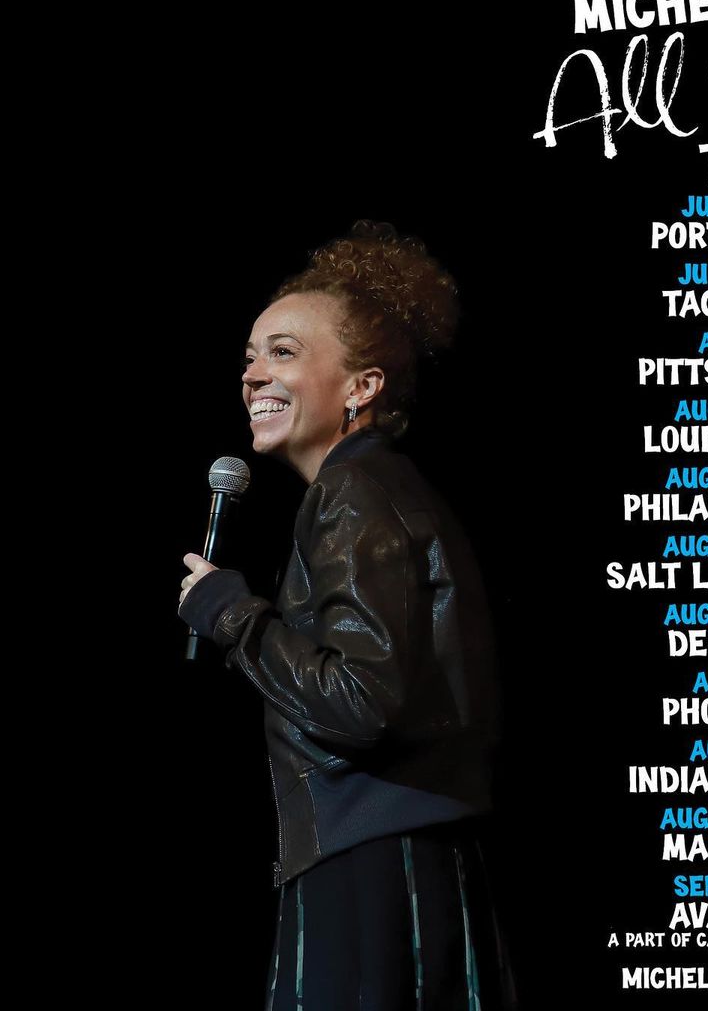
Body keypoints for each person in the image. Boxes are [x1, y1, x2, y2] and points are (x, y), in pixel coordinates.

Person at [177, 219, 518, 1010]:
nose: (254, 374)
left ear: (362, 386)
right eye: (250, 357)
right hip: (406, 856)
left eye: (283, 352)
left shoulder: (354, 492)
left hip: (371, 862)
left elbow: (362, 701)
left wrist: (232, 614)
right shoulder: (384, 488)